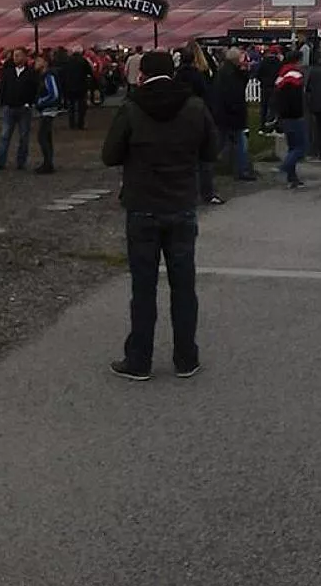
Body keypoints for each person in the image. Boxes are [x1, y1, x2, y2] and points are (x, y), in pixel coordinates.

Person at [102, 49, 219, 381]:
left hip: (142, 205)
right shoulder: (195, 107)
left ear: (142, 75)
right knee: (184, 285)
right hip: (181, 204)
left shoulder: (132, 108)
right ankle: (186, 357)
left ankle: (139, 359)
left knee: (143, 287)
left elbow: (109, 155)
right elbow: (212, 150)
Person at [174, 44, 223, 205]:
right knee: (204, 159)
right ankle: (207, 192)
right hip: (199, 115)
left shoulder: (177, 76)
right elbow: (206, 93)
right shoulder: (199, 75)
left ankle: (187, 191)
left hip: (181, 117)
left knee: (187, 158)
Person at [0, 46, 39, 170]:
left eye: (18, 55)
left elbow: (35, 89)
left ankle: (21, 162)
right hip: (9, 107)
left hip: (24, 108)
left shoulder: (31, 73)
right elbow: (3, 88)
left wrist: (30, 102)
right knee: (4, 136)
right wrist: (3, 102)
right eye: (14, 55)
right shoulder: (8, 72)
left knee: (23, 137)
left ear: (24, 57)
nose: (15, 58)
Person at [213, 47, 257, 181]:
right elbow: (235, 93)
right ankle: (242, 170)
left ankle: (207, 165)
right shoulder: (232, 74)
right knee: (240, 143)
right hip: (233, 114)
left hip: (223, 113)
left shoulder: (224, 71)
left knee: (220, 142)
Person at [274, 48, 307, 188]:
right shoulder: (295, 76)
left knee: (292, 146)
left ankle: (292, 178)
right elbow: (296, 98)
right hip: (294, 116)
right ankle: (284, 167)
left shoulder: (282, 74)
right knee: (301, 147)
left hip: (284, 116)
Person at [34, 54, 60, 174]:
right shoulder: (44, 76)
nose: (35, 63)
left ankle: (48, 163)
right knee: (46, 137)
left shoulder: (48, 76)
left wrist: (41, 101)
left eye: (38, 61)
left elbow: (54, 93)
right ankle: (48, 162)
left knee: (42, 137)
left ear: (45, 63)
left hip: (48, 110)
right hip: (47, 110)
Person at [62, 46, 94, 130]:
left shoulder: (67, 61)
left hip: (69, 87)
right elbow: (90, 72)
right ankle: (80, 124)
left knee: (71, 107)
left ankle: (71, 124)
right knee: (81, 107)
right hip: (81, 86)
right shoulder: (83, 61)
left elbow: (63, 73)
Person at [256, 45, 282, 133]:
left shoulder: (264, 62)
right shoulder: (279, 63)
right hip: (275, 87)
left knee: (264, 107)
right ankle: (276, 127)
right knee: (275, 108)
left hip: (265, 87)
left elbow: (258, 73)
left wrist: (263, 81)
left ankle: (263, 127)